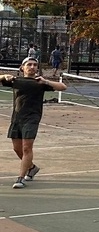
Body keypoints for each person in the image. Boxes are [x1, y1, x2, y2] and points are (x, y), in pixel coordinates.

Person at [2, 57, 67, 189]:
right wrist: (4, 76)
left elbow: (63, 87)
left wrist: (46, 81)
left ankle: (20, 178)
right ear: (22, 68)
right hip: (17, 118)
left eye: (35, 65)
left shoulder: (40, 82)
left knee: (27, 148)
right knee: (17, 148)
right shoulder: (15, 81)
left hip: (32, 118)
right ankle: (32, 168)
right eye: (29, 65)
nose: (32, 67)